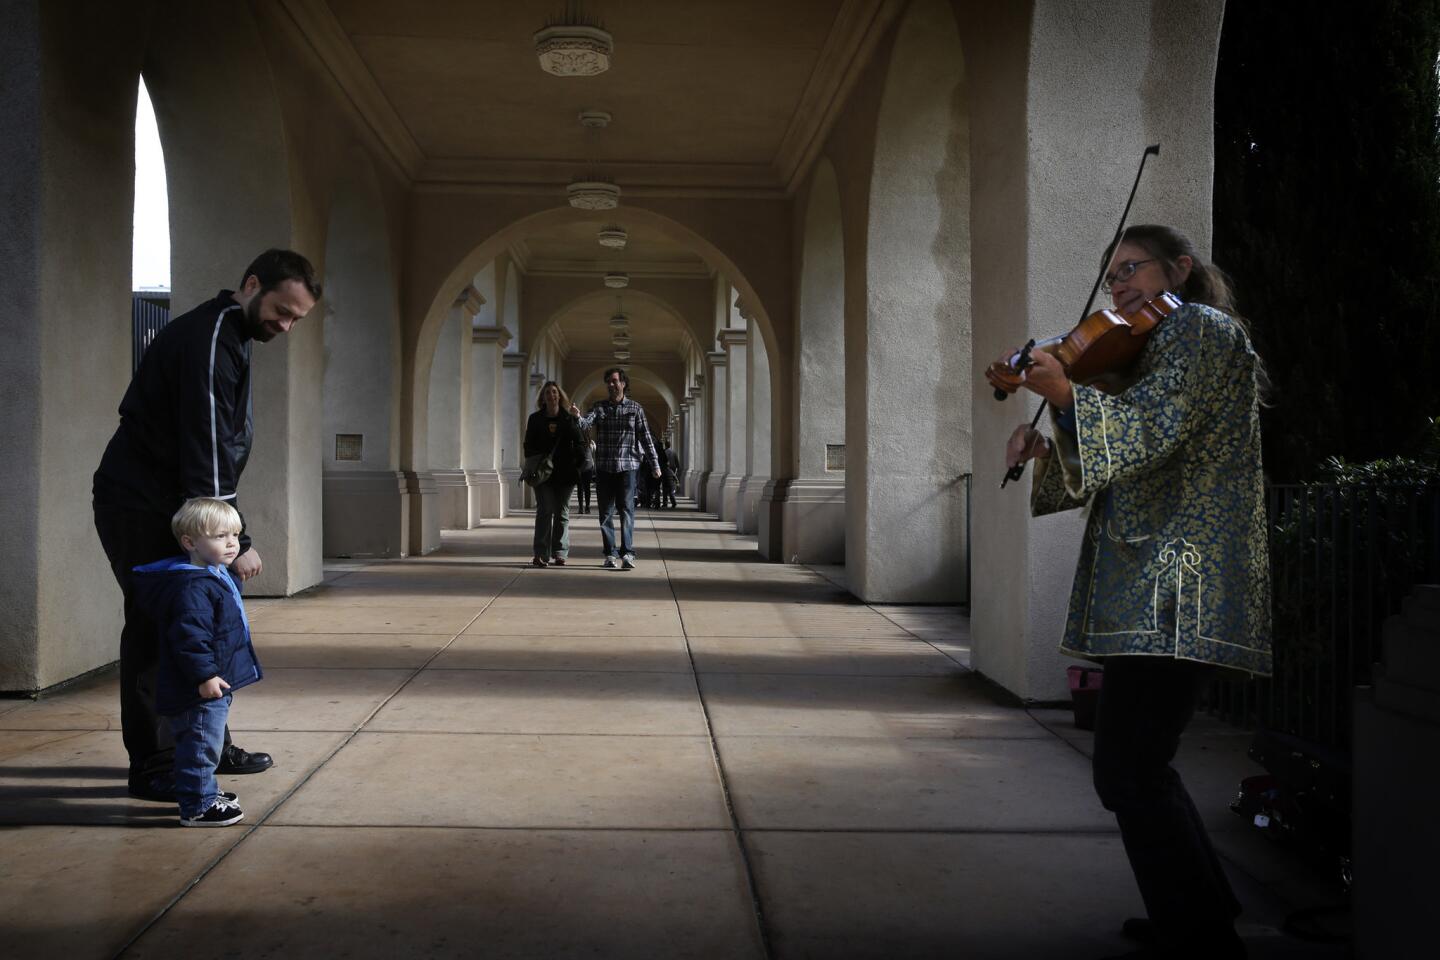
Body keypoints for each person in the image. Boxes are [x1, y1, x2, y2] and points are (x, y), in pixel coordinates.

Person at [988, 224, 1271, 960]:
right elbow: (1123, 457)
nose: (1119, 288)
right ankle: (1200, 911)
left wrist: (1065, 394)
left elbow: (1149, 431)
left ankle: (1200, 931)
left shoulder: (1201, 331)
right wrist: (1054, 435)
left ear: (1180, 267)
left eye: (1131, 269)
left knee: (1128, 768)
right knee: (1139, 765)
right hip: (1154, 585)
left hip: (1181, 581)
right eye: (1111, 277)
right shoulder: (1148, 353)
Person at [93, 248, 320, 803]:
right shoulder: (210, 337)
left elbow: (215, 445)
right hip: (144, 506)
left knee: (206, 624)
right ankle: (155, 763)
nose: (286, 327)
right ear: (251, 284)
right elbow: (206, 447)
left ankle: (206, 744)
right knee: (156, 630)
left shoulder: (230, 338)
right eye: (282, 311)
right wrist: (235, 538)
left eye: (296, 319)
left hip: (179, 508)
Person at [131, 498, 261, 827]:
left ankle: (203, 790)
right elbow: (190, 640)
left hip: (211, 681)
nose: (232, 543)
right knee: (200, 746)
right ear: (190, 543)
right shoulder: (191, 589)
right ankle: (198, 806)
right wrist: (205, 676)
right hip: (197, 688)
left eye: (235, 534)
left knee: (206, 744)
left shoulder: (213, 574)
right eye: (220, 536)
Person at [571, 367, 661, 569]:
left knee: (627, 511)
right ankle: (610, 554)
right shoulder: (599, 407)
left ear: (623, 383)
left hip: (628, 467)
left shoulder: (635, 409)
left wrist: (655, 464)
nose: (611, 385)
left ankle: (627, 553)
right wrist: (577, 417)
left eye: (614, 381)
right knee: (605, 513)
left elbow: (646, 438)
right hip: (604, 467)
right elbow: (586, 424)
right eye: (608, 382)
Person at [523, 380, 585, 567]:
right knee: (544, 510)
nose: (552, 395)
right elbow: (528, 444)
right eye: (548, 392)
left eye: (555, 392)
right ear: (543, 397)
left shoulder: (568, 418)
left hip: (565, 473)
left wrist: (578, 465)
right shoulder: (535, 419)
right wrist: (536, 460)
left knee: (562, 512)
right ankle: (541, 553)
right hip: (543, 472)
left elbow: (579, 442)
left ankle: (560, 551)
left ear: (560, 396)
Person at [577, 439, 596, 515]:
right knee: (587, 488)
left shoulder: (577, 443)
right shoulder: (591, 444)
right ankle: (587, 508)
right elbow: (594, 454)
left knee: (580, 488)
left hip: (580, 468)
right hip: (589, 467)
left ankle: (581, 508)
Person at [662, 441, 680, 508]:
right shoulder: (674, 452)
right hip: (672, 473)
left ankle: (665, 503)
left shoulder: (663, 452)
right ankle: (673, 502)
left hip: (664, 472)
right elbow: (677, 464)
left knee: (665, 489)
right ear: (670, 445)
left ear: (665, 445)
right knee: (671, 490)